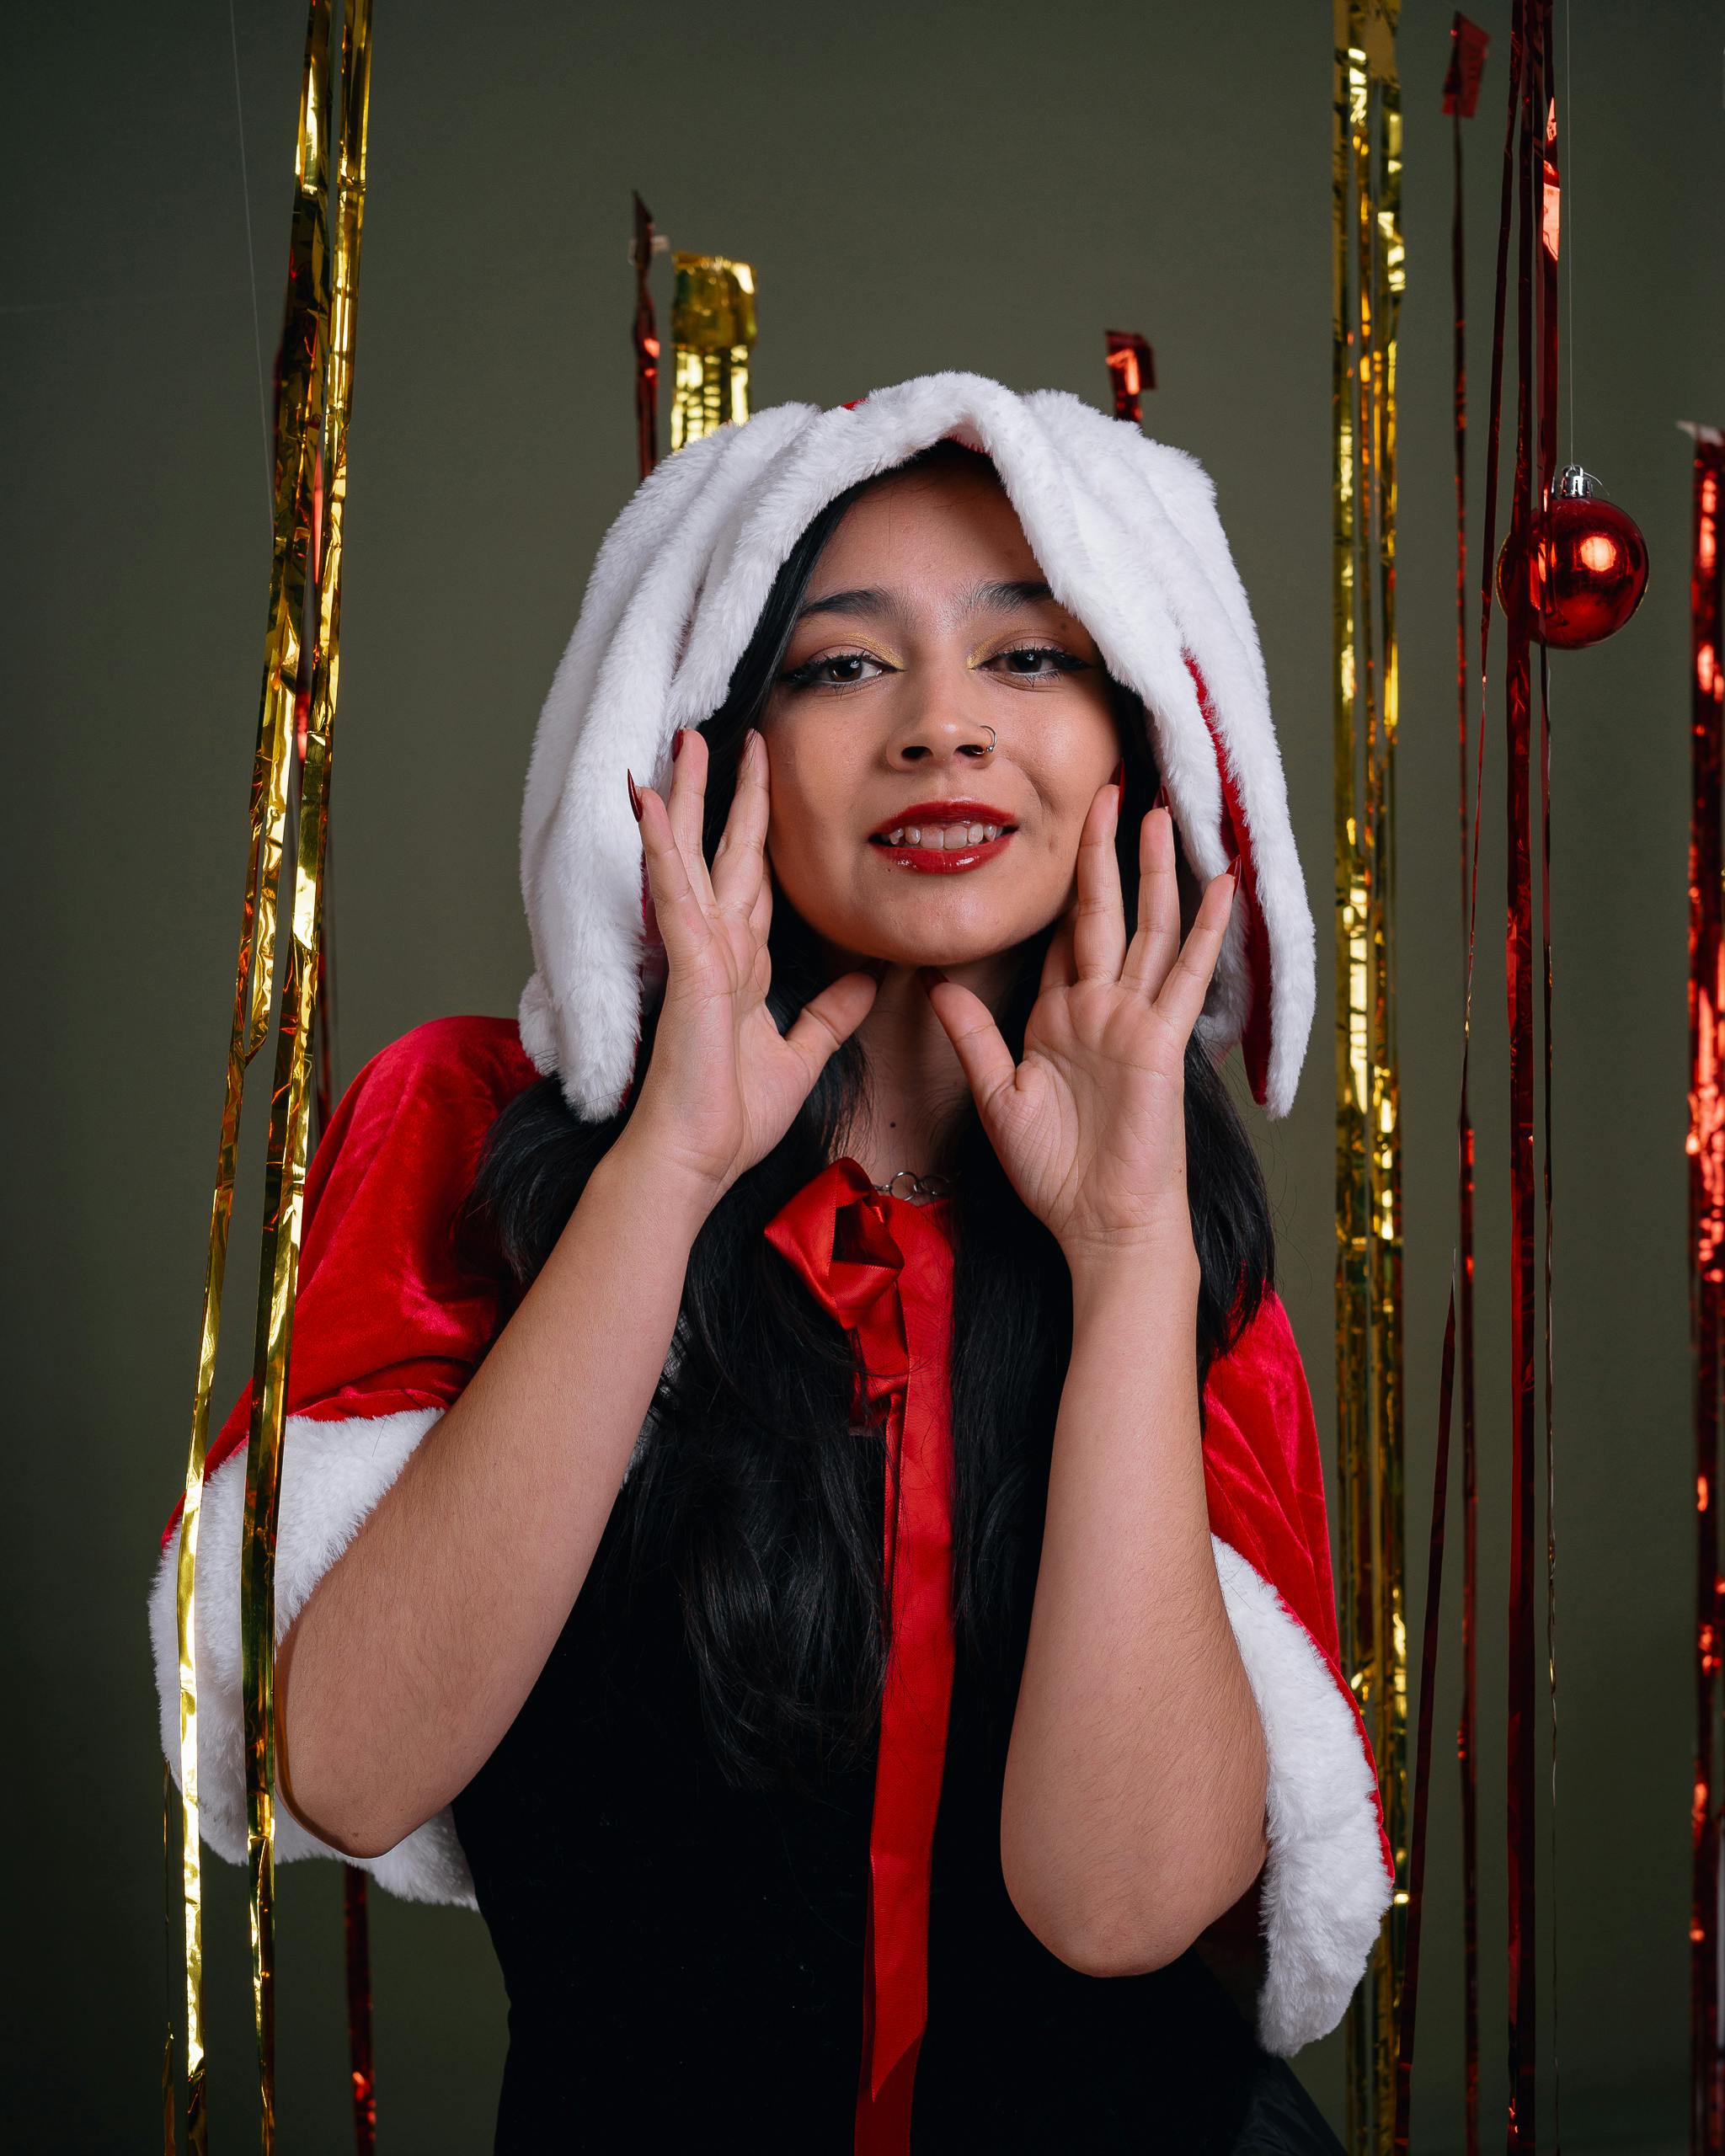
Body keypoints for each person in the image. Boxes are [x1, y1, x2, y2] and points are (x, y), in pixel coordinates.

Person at [151, 374, 1395, 2153]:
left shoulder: (1179, 1216)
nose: (942, 730)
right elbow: (345, 1768)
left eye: (1029, 657)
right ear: (713, 743)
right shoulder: (462, 1130)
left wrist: (1124, 1260)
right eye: (839, 664)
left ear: (1131, 747)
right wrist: (665, 1161)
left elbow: (1119, 1909)